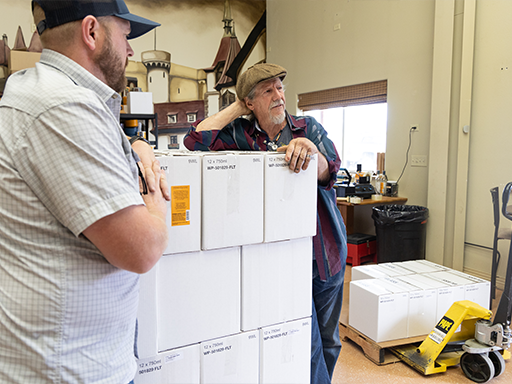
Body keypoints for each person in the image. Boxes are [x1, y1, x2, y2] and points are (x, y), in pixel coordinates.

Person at [0, 1, 170, 383]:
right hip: (72, 368)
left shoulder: (41, 93)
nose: (130, 51)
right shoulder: (63, 107)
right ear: (91, 32)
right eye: (126, 36)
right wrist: (155, 201)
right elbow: (143, 248)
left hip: (66, 359)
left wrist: (138, 147)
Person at [184, 63, 348, 384]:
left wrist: (310, 153)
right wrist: (236, 105)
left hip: (325, 254)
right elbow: (194, 141)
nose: (278, 96)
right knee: (309, 341)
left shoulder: (307, 128)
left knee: (329, 341)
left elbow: (330, 170)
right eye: (267, 91)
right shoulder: (242, 135)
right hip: (283, 260)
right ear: (250, 102)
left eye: (280, 88)